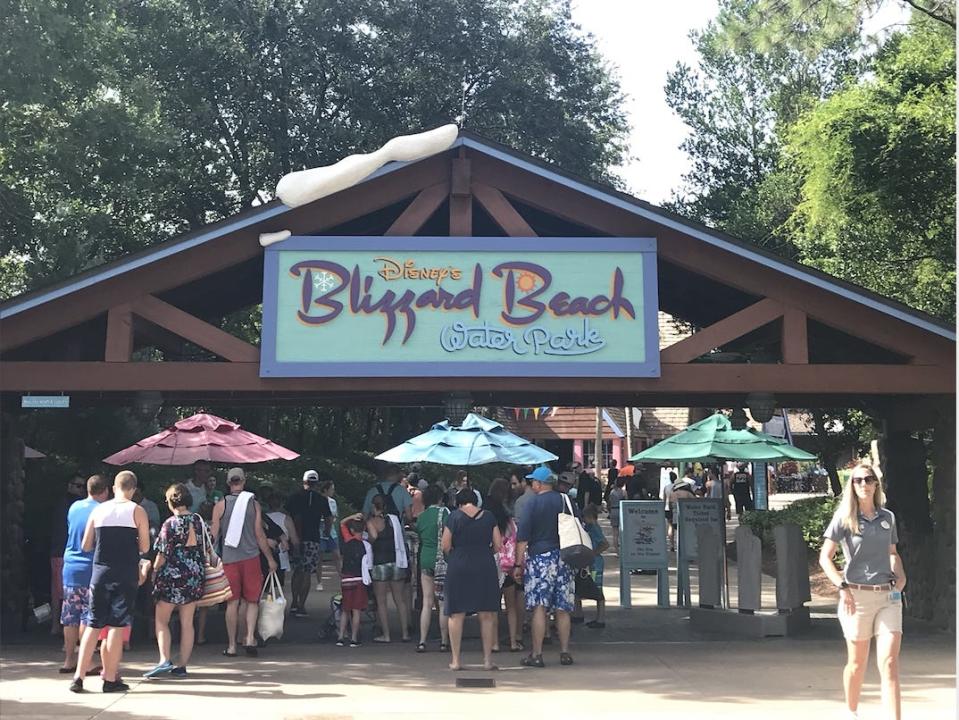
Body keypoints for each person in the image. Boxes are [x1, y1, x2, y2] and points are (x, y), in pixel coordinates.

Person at [820, 464, 905, 720]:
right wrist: (841, 586)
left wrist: (901, 577)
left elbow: (892, 553)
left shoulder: (887, 517)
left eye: (868, 479)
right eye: (857, 480)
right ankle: (852, 711)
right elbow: (825, 557)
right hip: (856, 598)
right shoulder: (844, 519)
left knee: (889, 663)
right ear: (852, 486)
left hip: (888, 597)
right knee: (857, 664)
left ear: (876, 483)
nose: (863, 484)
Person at [70, 471, 150, 693]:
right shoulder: (137, 511)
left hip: (100, 573)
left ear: (114, 487)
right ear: (133, 489)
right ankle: (110, 678)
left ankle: (78, 676)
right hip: (125, 574)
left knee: (93, 624)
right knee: (117, 625)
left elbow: (86, 544)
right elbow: (144, 547)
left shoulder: (99, 509)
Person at [513, 466, 577, 668]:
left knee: (539, 607)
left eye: (533, 481)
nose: (532, 485)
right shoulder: (567, 501)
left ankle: (537, 654)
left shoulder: (531, 504)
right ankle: (565, 652)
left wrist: (517, 564)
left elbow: (522, 539)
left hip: (540, 558)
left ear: (540, 483)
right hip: (565, 557)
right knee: (563, 607)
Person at [210, 468, 277, 658]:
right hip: (251, 558)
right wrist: (270, 559)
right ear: (244, 481)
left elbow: (214, 536)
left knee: (232, 603)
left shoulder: (220, 506)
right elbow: (259, 534)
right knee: (252, 601)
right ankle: (248, 637)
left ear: (228, 483)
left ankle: (231, 646)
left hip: (230, 560)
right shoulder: (253, 504)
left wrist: (208, 558)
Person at [144, 483, 205, 679]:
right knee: (188, 623)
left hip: (172, 576)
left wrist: (154, 570)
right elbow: (207, 544)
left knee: (162, 620)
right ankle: (182, 666)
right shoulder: (198, 521)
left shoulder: (170, 523)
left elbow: (162, 553)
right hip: (194, 576)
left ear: (170, 502)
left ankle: (164, 659)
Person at [443, 488, 502, 671]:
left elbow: (445, 545)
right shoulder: (489, 516)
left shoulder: (453, 517)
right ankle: (487, 660)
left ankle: (456, 660)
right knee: (486, 615)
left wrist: (457, 553)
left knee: (456, 613)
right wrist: (485, 552)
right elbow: (498, 544)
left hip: (459, 564)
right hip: (484, 564)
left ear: (459, 501)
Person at [59, 475, 109, 673]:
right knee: (87, 617)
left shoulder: (74, 507)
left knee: (70, 616)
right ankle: (85, 662)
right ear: (105, 491)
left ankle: (68, 659)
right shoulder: (102, 510)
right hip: (90, 567)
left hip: (70, 565)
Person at [285, 470, 331, 616]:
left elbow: (286, 515)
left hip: (295, 538)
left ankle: (293, 602)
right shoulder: (322, 499)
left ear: (304, 481)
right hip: (313, 538)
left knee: (296, 571)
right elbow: (329, 518)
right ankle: (301, 605)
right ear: (316, 483)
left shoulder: (294, 497)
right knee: (307, 573)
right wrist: (327, 532)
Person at [366, 494, 411, 643]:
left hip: (380, 563)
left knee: (381, 601)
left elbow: (372, 537)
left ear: (374, 506)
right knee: (400, 600)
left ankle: (386, 635)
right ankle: (405, 633)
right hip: (396, 561)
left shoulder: (372, 521)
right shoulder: (394, 520)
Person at [486, 477, 522, 653]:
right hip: (508, 563)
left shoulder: (486, 516)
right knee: (511, 605)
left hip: (492, 562)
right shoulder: (509, 519)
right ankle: (514, 642)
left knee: (493, 605)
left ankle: (494, 643)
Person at [414, 484, 450, 652]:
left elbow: (419, 535)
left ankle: (422, 640)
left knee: (427, 602)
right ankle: (444, 641)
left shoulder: (421, 517)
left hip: (425, 559)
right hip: (442, 559)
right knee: (442, 603)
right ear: (440, 498)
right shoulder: (446, 513)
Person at [51, 474, 86, 637]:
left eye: (83, 486)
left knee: (72, 591)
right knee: (58, 590)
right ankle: (56, 625)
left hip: (74, 552)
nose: (81, 489)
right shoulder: (63, 505)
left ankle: (71, 627)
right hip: (60, 550)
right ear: (69, 485)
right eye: (77, 485)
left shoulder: (81, 506)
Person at [572, 504, 608, 628]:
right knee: (580, 586)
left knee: (596, 588)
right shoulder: (588, 528)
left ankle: (600, 618)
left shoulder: (594, 529)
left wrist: (592, 554)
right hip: (589, 563)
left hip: (595, 564)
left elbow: (604, 544)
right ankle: (578, 613)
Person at [264, 488, 298, 588]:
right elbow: (294, 539)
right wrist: (296, 551)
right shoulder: (286, 518)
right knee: (278, 585)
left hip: (264, 552)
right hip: (281, 554)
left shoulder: (263, 517)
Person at [317, 480, 341, 590]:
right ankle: (319, 581)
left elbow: (334, 516)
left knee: (337, 555)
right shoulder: (318, 500)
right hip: (320, 531)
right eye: (331, 489)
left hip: (331, 531)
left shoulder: (332, 502)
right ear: (325, 490)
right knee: (320, 556)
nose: (333, 491)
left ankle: (342, 577)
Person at [607, 477, 627, 554]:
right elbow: (626, 501)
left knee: (615, 532)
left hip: (613, 510)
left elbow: (609, 503)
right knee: (623, 530)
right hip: (621, 510)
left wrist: (609, 511)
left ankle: (616, 550)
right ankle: (624, 549)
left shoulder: (612, 492)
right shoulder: (623, 492)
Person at [661, 471, 677, 551]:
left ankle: (671, 545)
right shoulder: (678, 487)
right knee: (678, 526)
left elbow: (664, 499)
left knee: (670, 526)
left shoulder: (666, 487)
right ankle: (678, 543)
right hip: (676, 508)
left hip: (667, 508)